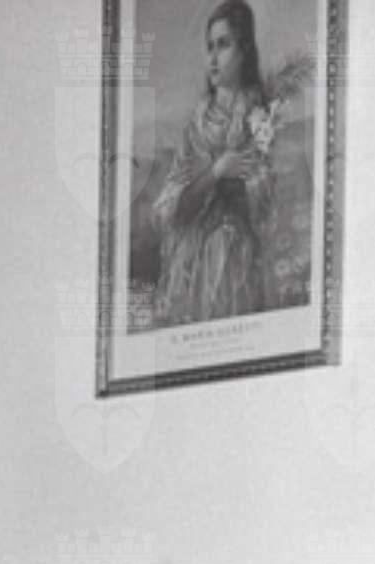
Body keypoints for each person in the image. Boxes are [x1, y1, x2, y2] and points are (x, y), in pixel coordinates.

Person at [152, 0, 277, 327]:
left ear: (245, 50)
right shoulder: (195, 128)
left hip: (238, 260)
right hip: (194, 261)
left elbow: (266, 204)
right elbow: (169, 208)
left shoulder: (260, 118)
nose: (213, 57)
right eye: (209, 46)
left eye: (223, 45)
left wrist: (247, 186)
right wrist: (217, 172)